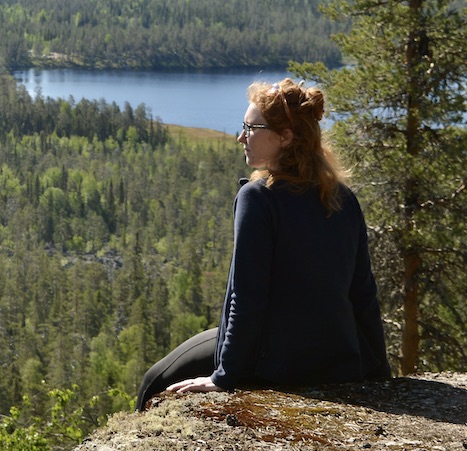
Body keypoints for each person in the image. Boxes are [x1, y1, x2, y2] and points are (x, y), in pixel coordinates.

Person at [135, 78, 390, 411]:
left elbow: (248, 297)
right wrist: (380, 375)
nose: (241, 136)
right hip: (338, 358)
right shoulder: (343, 198)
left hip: (277, 362)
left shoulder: (259, 198)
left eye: (251, 128)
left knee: (155, 382)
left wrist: (223, 377)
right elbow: (363, 295)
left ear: (285, 137)